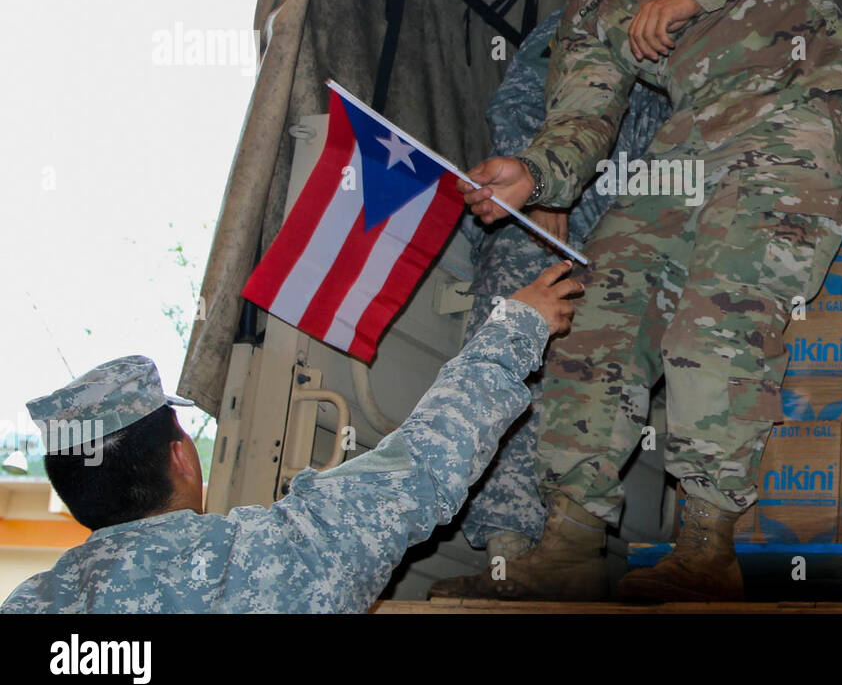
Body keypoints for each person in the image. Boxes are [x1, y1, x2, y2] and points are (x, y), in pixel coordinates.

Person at [459, 0, 842, 601]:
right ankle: (570, 540)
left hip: (793, 103)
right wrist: (532, 172)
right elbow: (583, 120)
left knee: (715, 318)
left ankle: (706, 544)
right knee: (600, 314)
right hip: (692, 137)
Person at [1, 262, 582, 613]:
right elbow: (426, 461)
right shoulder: (267, 555)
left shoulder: (31, 606)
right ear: (181, 457)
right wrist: (518, 326)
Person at [429, 9, 671, 597]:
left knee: (596, 387)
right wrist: (538, 184)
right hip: (551, 226)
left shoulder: (694, 7)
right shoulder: (585, 15)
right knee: (518, 364)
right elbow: (519, 105)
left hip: (636, 236)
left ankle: (566, 549)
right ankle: (511, 559)